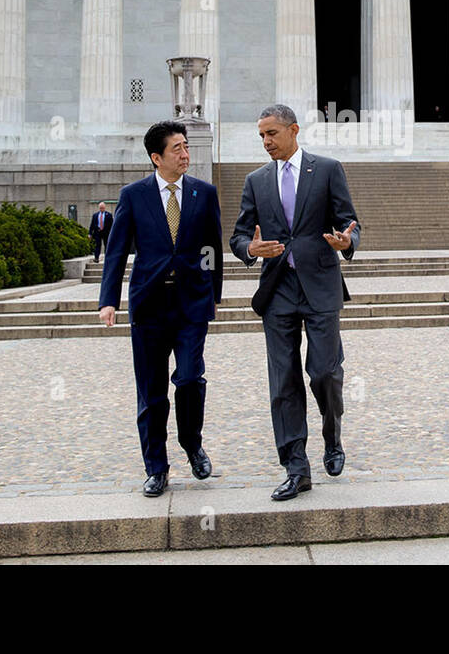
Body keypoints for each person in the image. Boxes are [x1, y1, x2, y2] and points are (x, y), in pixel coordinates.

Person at [230, 104, 360, 501]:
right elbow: (237, 237)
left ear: (293, 130)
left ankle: (332, 435)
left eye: (272, 133)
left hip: (320, 285)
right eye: (261, 136)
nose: (266, 142)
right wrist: (250, 249)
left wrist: (346, 242)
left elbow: (350, 222)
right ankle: (296, 468)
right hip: (277, 291)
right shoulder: (256, 180)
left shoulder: (326, 169)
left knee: (324, 372)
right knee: (283, 382)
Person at [98, 121, 224, 498]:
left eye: (186, 147)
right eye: (177, 149)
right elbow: (117, 252)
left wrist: (212, 295)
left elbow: (212, 249)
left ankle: (192, 443)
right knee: (151, 393)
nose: (186, 154)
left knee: (189, 378)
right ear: (157, 157)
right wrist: (108, 300)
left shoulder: (205, 193)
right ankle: (156, 467)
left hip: (191, 306)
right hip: (149, 306)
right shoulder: (133, 195)